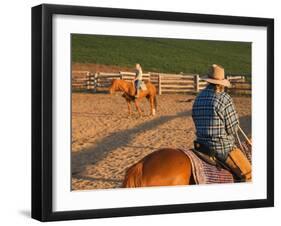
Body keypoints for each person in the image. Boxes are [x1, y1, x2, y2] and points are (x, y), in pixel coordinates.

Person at [192, 64, 252, 182]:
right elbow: (232, 129)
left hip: (200, 145)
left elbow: (195, 119)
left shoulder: (198, 98)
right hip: (221, 148)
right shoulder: (224, 98)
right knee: (249, 175)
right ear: (221, 83)